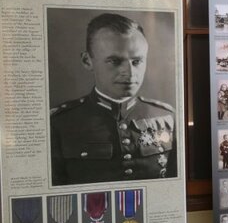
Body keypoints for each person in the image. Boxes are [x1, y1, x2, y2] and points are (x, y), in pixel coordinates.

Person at [50, 13, 176, 185]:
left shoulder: (166, 117)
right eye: (115, 61)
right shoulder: (59, 123)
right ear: (87, 61)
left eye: (137, 61)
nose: (130, 73)